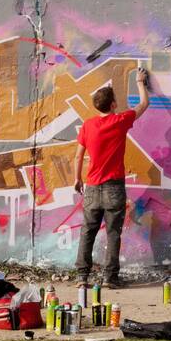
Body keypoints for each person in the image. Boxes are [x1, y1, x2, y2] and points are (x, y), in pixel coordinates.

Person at [72, 68, 151, 289]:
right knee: (113, 232)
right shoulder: (120, 121)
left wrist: (77, 179)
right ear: (113, 104)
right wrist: (139, 81)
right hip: (114, 186)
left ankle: (82, 277)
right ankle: (110, 277)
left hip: (92, 185)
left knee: (87, 231)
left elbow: (79, 155)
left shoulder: (88, 125)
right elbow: (143, 104)